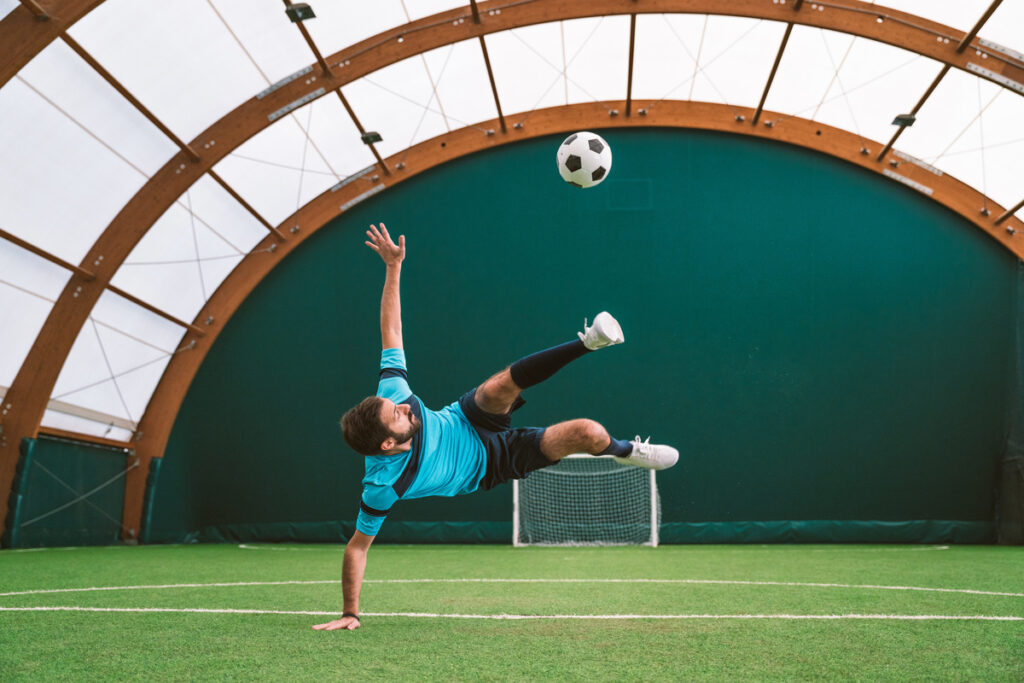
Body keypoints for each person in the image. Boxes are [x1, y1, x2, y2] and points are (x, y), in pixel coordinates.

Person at [312, 223, 678, 632]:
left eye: (396, 403)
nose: (402, 405)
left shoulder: (392, 394)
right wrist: (350, 613)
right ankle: (627, 451)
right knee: (589, 433)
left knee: (499, 385)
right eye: (396, 415)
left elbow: (391, 330)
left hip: (467, 416)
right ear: (386, 444)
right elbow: (358, 547)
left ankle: (588, 342)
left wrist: (393, 268)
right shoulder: (381, 486)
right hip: (491, 463)